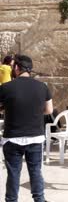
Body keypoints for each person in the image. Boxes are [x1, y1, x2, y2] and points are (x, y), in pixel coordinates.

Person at [0, 55, 53, 202]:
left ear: (16, 68)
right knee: (35, 171)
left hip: (12, 138)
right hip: (35, 136)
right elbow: (49, 110)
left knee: (13, 173)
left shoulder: (5, 87)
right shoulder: (43, 87)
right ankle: (39, 199)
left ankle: (11, 200)